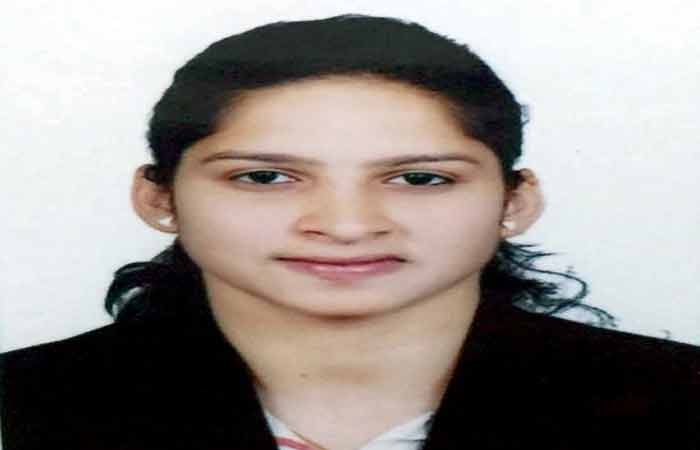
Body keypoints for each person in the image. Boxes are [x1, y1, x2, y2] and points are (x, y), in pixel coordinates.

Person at [1, 14, 698, 450]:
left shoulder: (678, 401)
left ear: (515, 201)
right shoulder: (22, 406)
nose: (345, 225)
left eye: (419, 178)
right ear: (159, 198)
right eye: (265, 177)